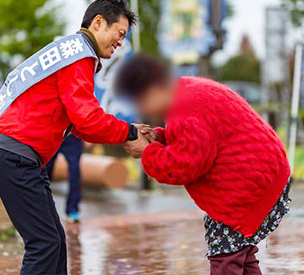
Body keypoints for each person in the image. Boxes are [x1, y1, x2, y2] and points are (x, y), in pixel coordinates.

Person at [0, 0, 147, 275]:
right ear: (98, 23)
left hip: (13, 155)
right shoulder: (79, 55)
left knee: (55, 241)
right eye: (119, 34)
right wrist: (130, 132)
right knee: (44, 244)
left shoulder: (68, 51)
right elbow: (88, 118)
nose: (120, 43)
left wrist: (126, 134)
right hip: (15, 156)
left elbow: (81, 126)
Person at [116, 54, 291, 275]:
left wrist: (147, 152)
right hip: (270, 177)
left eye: (141, 102)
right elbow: (196, 140)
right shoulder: (189, 89)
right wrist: (159, 139)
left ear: (154, 89)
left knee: (225, 257)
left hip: (246, 192)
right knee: (240, 255)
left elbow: (183, 166)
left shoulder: (185, 109)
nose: (144, 110)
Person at [45, 134, 83, 223]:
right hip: (53, 134)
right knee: (45, 171)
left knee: (75, 171)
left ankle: (72, 210)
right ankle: (42, 208)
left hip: (72, 136)